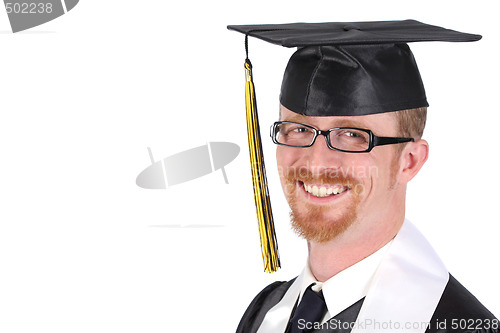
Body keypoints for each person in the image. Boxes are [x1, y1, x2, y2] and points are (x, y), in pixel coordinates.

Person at [228, 20, 498, 333]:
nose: (316, 162)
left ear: (409, 161)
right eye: (299, 130)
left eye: (353, 135)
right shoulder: (265, 312)